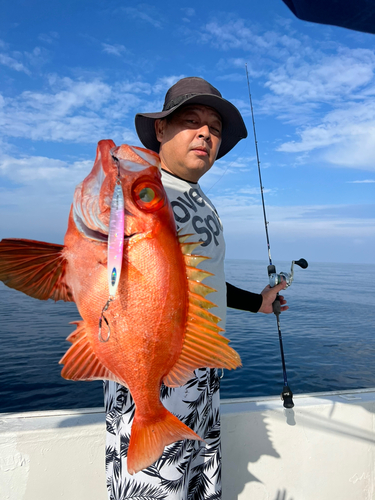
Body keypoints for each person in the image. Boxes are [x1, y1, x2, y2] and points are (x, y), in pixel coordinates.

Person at [104, 77, 287, 500]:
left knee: (200, 486)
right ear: (161, 130)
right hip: (151, 369)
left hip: (202, 369)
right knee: (152, 489)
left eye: (215, 128)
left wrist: (256, 304)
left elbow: (197, 282)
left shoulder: (200, 198)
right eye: (192, 120)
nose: (206, 133)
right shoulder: (141, 193)